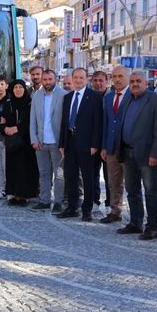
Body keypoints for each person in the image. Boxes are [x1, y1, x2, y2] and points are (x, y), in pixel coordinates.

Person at [115, 70, 157, 239]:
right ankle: (135, 222)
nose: (135, 84)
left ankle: (152, 227)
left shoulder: (156, 100)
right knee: (132, 190)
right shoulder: (128, 98)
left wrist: (156, 153)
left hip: (147, 154)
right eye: (132, 81)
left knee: (151, 192)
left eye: (138, 81)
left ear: (146, 83)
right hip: (128, 151)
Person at [57, 68, 102, 221]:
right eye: (75, 78)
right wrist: (62, 143)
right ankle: (72, 206)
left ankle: (87, 209)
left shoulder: (94, 97)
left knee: (88, 178)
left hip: (87, 144)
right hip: (70, 142)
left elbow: (97, 123)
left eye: (81, 78)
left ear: (86, 79)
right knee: (71, 177)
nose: (78, 80)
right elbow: (64, 122)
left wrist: (95, 144)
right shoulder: (68, 97)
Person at [29, 69, 65, 211]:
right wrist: (34, 139)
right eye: (45, 80)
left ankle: (58, 202)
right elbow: (32, 120)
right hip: (41, 142)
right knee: (43, 173)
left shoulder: (63, 95)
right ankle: (44, 200)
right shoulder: (36, 96)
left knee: (59, 174)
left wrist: (63, 142)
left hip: (57, 142)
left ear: (55, 79)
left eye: (50, 79)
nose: (47, 82)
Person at [99, 66, 131, 224]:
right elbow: (106, 122)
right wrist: (104, 146)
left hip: (127, 147)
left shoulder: (133, 96)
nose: (117, 79)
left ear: (127, 77)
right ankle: (114, 211)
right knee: (113, 182)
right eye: (114, 76)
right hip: (111, 147)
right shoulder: (109, 97)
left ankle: (135, 217)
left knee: (131, 184)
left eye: (121, 76)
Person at [3, 79, 38, 206]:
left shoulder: (30, 103)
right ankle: (13, 194)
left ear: (24, 89)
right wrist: (5, 128)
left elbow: (32, 121)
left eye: (20, 87)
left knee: (25, 169)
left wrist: (17, 128)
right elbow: (3, 120)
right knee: (12, 169)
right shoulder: (9, 103)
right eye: (15, 87)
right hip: (12, 143)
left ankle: (24, 196)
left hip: (26, 142)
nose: (18, 89)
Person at [90, 70, 110, 214]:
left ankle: (110, 203)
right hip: (93, 142)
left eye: (100, 80)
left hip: (108, 143)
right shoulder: (89, 96)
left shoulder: (113, 96)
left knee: (110, 176)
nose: (98, 83)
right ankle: (94, 200)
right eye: (95, 80)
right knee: (93, 174)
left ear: (107, 80)